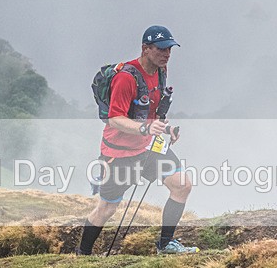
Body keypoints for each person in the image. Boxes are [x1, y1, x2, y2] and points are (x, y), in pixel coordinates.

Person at [76, 25, 198, 255]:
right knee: (106, 208)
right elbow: (114, 119)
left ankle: (166, 244)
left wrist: (166, 128)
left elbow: (151, 111)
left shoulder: (161, 71)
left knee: (182, 185)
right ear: (145, 48)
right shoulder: (126, 78)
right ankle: (82, 254)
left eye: (169, 49)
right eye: (161, 49)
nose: (167, 54)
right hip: (119, 153)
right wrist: (145, 128)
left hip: (148, 146)